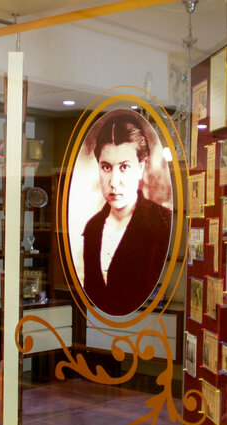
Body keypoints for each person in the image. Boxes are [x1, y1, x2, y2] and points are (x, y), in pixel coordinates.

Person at [80, 111, 172, 317]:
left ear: (140, 168)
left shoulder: (162, 223)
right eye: (106, 167)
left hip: (149, 326)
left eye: (124, 167)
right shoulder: (93, 227)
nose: (114, 182)